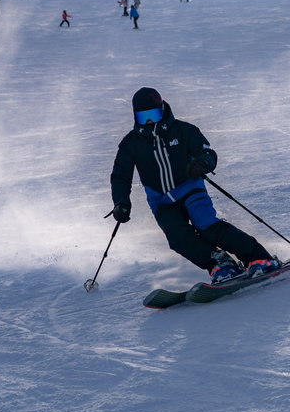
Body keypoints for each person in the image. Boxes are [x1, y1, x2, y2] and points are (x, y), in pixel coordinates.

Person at [110, 88, 277, 282]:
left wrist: (202, 163)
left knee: (207, 225)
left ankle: (259, 258)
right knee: (178, 238)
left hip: (189, 187)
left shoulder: (184, 130)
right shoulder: (131, 143)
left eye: (153, 114)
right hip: (161, 199)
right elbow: (120, 176)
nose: (149, 121)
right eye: (143, 116)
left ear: (162, 109)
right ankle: (220, 264)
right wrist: (121, 202)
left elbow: (208, 153)